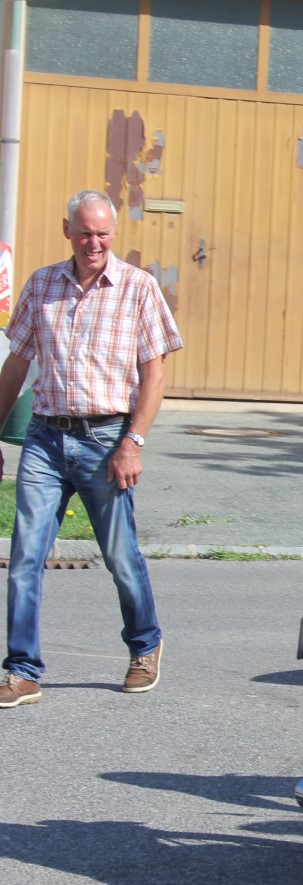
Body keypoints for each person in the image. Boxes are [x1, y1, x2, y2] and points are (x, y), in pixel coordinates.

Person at [0, 189, 181, 708]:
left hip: (107, 440)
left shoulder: (138, 288)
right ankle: (22, 670)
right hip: (45, 437)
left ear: (113, 234)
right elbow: (17, 365)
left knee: (120, 556)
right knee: (25, 557)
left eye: (103, 233)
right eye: (85, 233)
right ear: (67, 231)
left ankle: (145, 647)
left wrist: (133, 442)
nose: (94, 242)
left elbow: (154, 373)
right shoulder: (41, 285)